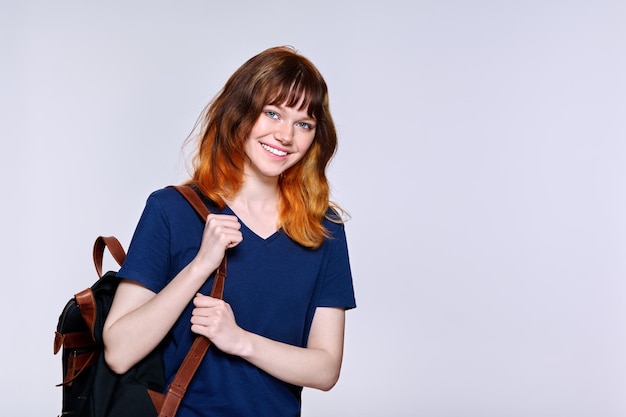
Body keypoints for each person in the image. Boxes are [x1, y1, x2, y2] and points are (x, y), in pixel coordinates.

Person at [102, 45, 356, 417]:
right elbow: (120, 351)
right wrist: (200, 265)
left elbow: (325, 368)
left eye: (304, 123)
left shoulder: (323, 229)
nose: (285, 135)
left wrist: (239, 340)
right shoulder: (172, 210)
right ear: (240, 113)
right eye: (272, 113)